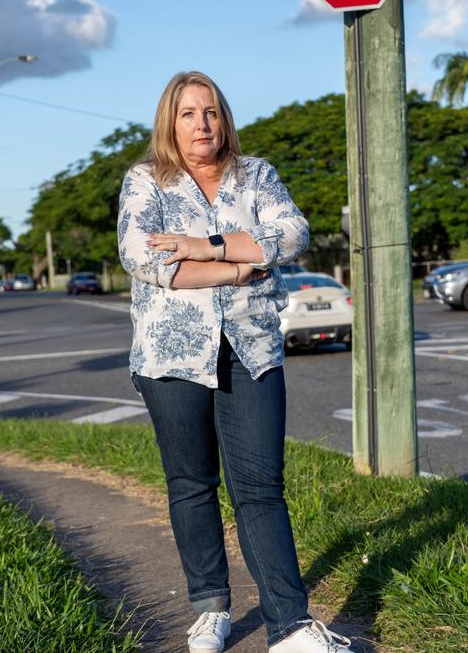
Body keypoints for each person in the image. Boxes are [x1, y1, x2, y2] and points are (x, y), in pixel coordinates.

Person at [117, 71, 351, 653]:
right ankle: (211, 609)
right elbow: (147, 262)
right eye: (189, 114)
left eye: (212, 112)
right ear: (170, 123)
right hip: (170, 357)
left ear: (224, 119)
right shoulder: (147, 181)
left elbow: (293, 233)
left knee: (261, 486)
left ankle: (290, 626)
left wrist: (206, 245)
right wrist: (242, 263)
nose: (202, 124)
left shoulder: (257, 175)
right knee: (192, 482)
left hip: (251, 349)